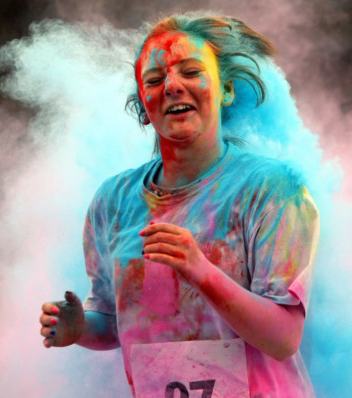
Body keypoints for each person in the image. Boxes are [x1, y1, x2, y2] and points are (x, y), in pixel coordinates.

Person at [39, 13, 319, 397]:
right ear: (145, 104)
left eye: (190, 71)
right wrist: (80, 329)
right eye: (154, 80)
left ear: (226, 90)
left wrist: (201, 271)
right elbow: (112, 323)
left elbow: (284, 338)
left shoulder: (274, 188)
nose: (172, 86)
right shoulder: (113, 200)